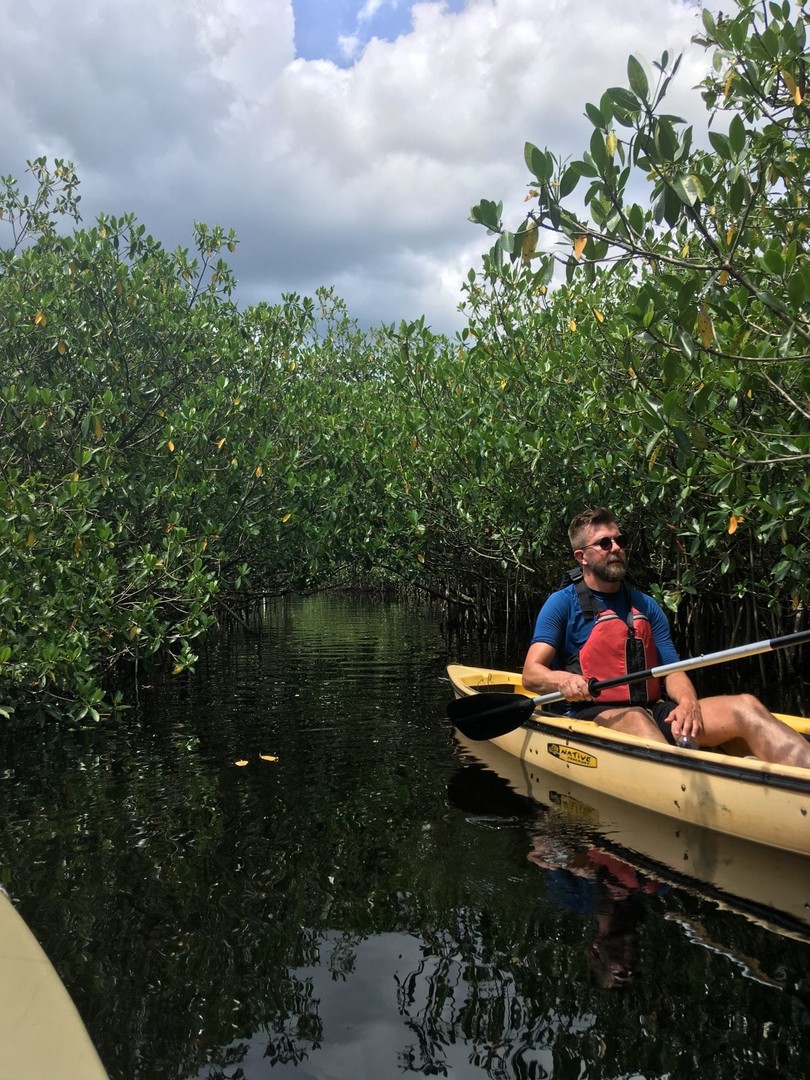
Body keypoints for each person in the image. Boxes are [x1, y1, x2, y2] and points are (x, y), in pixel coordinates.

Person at [522, 508, 810, 768]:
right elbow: (531, 674)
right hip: (588, 713)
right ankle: (682, 788)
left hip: (653, 709)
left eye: (620, 540)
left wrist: (688, 703)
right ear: (581, 556)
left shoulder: (645, 605)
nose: (617, 548)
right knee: (635, 716)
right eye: (605, 543)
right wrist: (563, 681)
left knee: (746, 706)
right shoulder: (561, 604)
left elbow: (671, 670)